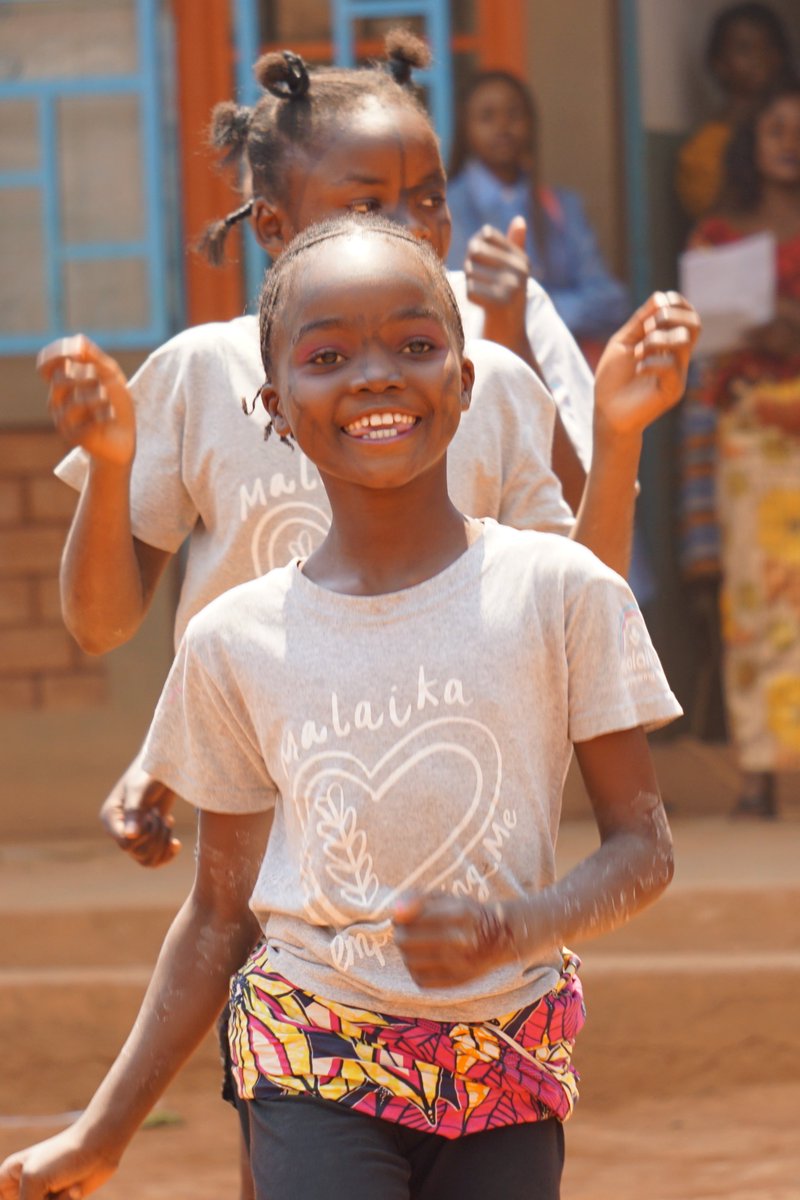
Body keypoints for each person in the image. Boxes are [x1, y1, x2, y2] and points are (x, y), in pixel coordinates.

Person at [1, 214, 683, 1200]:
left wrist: (512, 927)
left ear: (465, 380)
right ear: (275, 405)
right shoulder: (237, 638)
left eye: (414, 344)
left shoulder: (558, 590)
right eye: (328, 355)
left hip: (507, 1062)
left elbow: (643, 848)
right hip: (310, 1049)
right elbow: (216, 915)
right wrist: (102, 1132)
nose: (373, 375)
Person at [39, 35, 699, 869]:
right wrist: (108, 465)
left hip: (460, 818)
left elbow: (577, 608)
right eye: (368, 207)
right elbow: (101, 625)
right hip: (262, 835)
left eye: (429, 200)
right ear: (272, 226)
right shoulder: (201, 376)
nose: (413, 230)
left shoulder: (477, 373)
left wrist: (616, 435)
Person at [689, 82, 800, 816]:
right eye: (775, 129)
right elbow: (699, 340)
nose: (790, 141)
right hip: (750, 433)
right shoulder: (718, 235)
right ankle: (759, 770)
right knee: (754, 603)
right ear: (751, 144)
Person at [445, 69, 630, 369]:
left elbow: (610, 301)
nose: (503, 126)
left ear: (531, 124)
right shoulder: (447, 207)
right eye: (488, 116)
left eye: (514, 114)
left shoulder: (562, 206)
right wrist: (553, 310)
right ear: (465, 128)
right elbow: (460, 308)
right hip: (480, 378)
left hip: (557, 376)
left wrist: (522, 309)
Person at [676, 2, 795, 221]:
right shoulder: (703, 151)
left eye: (768, 48)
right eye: (744, 49)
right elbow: (721, 225)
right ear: (719, 63)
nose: (759, 59)